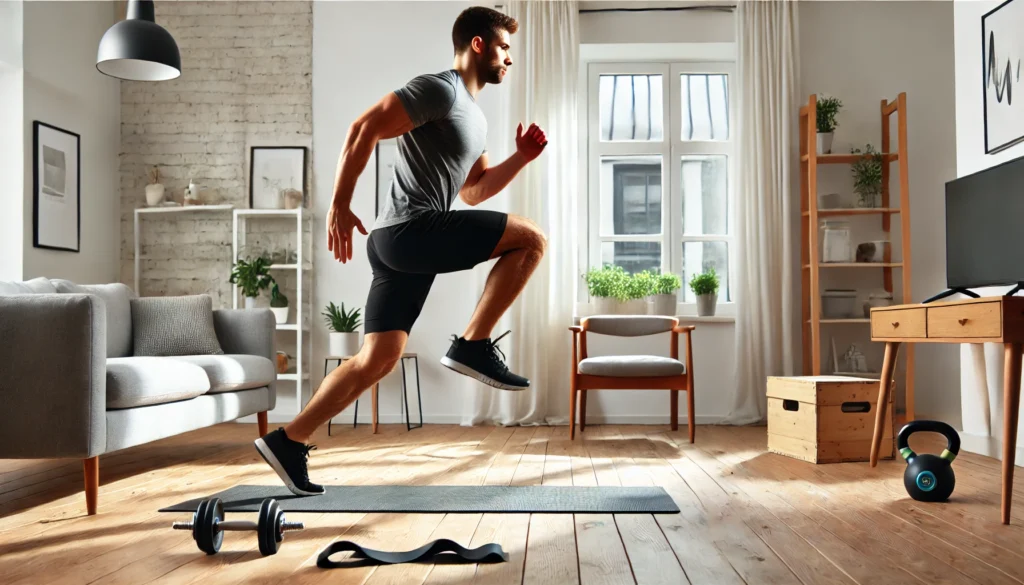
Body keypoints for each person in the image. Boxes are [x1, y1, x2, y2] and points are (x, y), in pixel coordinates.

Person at [255, 6, 549, 496]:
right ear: (478, 44)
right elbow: (362, 128)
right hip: (412, 231)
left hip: (399, 242)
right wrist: (338, 205)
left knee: (379, 358)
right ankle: (473, 344)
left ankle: (289, 439)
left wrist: (520, 157)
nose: (508, 59)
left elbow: (473, 191)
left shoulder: (473, 116)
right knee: (533, 238)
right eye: (504, 48)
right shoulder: (440, 88)